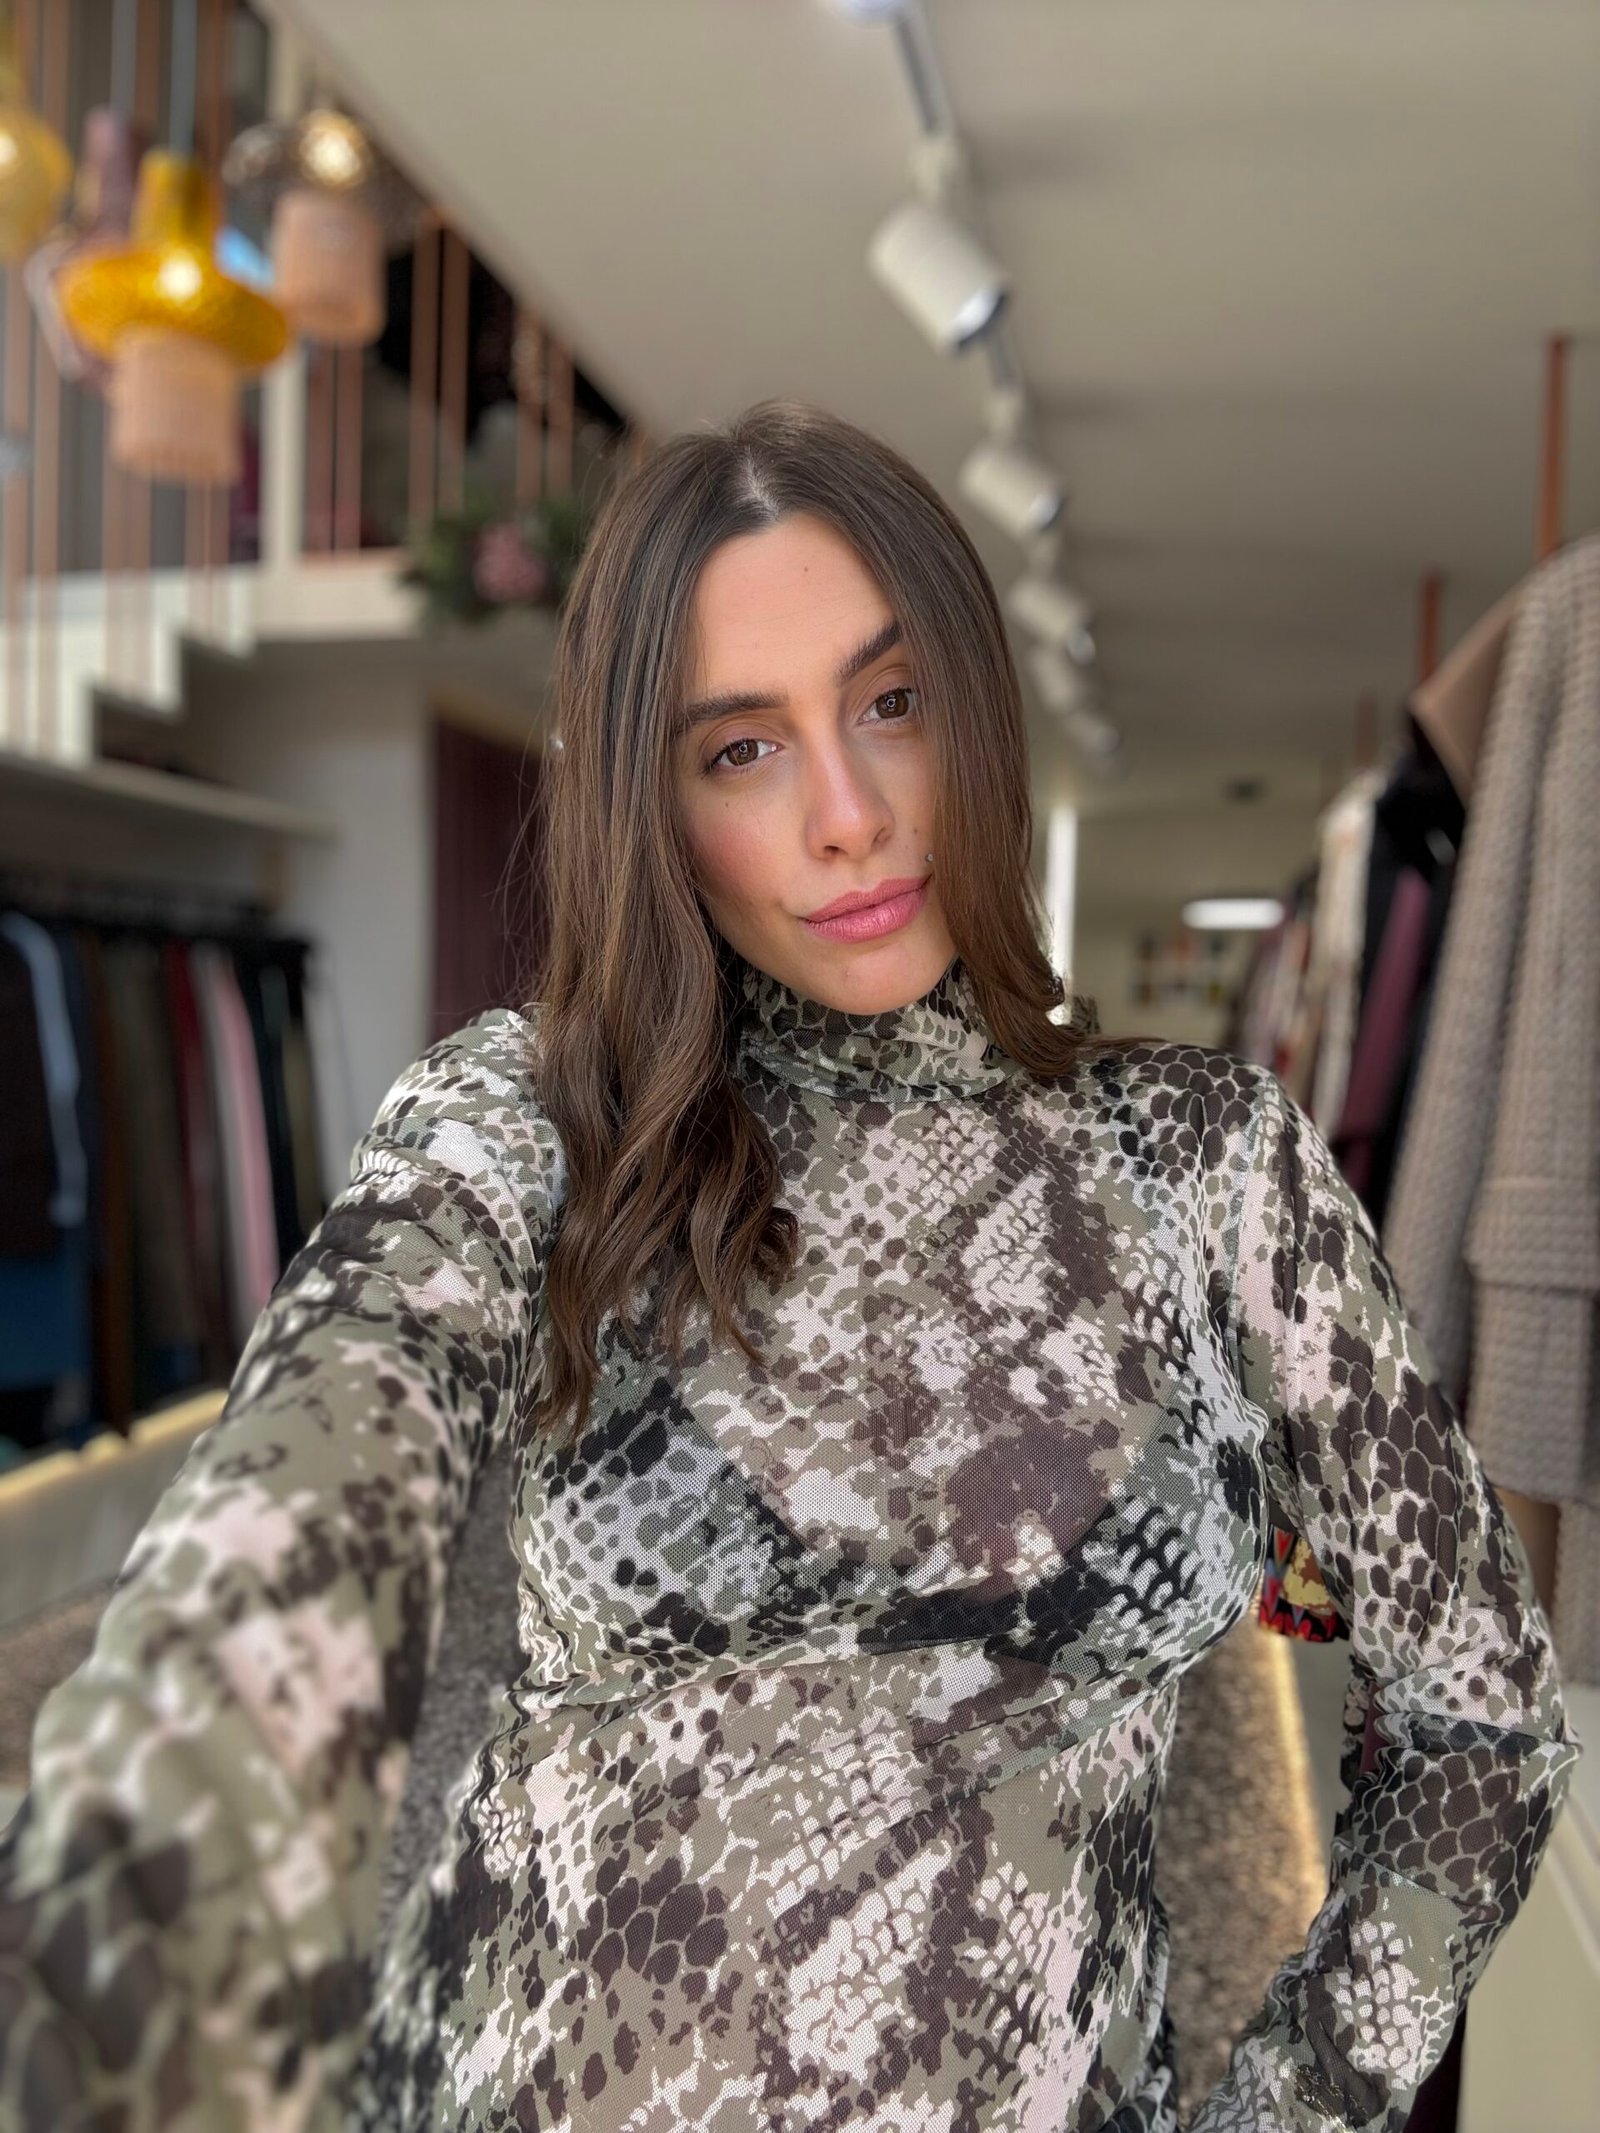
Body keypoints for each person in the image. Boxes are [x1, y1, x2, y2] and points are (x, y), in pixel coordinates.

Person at [0, 398, 1581, 2133]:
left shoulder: (1205, 1163)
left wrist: (1292, 2104)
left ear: (977, 703)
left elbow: (1485, 1719)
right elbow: (334, 1427)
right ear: (656, 803)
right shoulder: (541, 1119)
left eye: (891, 702)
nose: (848, 812)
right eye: (741, 748)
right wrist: (163, 1810)